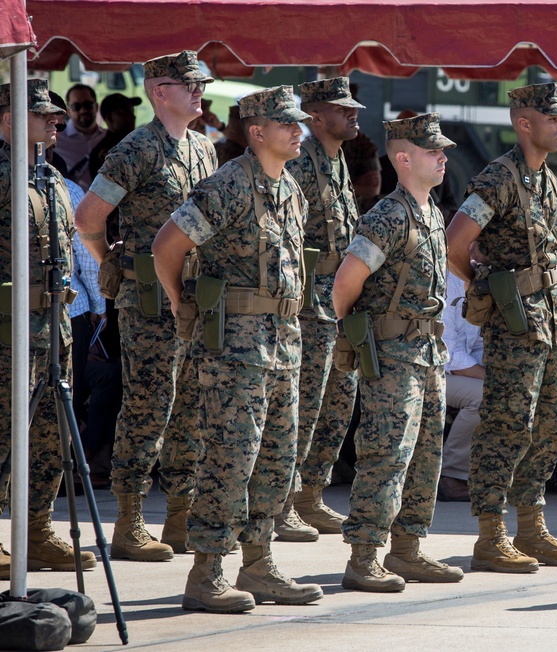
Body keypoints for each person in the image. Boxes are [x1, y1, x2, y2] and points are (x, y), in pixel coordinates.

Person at [153, 85, 322, 613]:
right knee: (230, 459)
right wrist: (185, 306)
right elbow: (167, 246)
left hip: (284, 343)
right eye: (287, 124)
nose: (299, 131)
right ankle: (207, 573)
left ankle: (259, 563)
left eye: (300, 123)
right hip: (236, 349)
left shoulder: (291, 188)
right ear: (257, 132)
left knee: (276, 459)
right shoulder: (227, 185)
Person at [75, 50, 218, 561]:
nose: (200, 91)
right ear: (160, 91)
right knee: (148, 405)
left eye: (201, 83)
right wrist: (109, 260)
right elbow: (89, 215)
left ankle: (179, 517)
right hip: (150, 302)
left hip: (194, 300)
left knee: (190, 408)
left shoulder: (203, 149)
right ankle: (130, 521)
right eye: (189, 84)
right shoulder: (137, 148)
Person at [446, 82, 557, 573]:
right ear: (524, 123)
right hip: (513, 326)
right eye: (553, 118)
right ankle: (491, 536)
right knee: (507, 428)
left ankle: (532, 530)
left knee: (548, 427)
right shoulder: (497, 179)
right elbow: (454, 244)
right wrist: (484, 287)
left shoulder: (546, 179)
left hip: (548, 324)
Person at [333, 113, 462, 591]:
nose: (443, 157)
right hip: (392, 355)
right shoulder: (388, 214)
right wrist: (360, 334)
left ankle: (407, 549)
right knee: (386, 455)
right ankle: (364, 555)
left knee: (425, 457)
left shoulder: (430, 210)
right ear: (404, 159)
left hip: (427, 353)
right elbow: (346, 283)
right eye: (433, 151)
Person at [0, 79, 98, 579]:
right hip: (7, 328)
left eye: (57, 116)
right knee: (2, 431)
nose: (56, 122)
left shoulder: (51, 178)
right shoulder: (3, 175)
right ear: (11, 119)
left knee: (48, 437)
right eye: (45, 116)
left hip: (53, 324)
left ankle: (36, 530)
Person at [280, 77, 365, 541]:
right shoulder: (300, 161)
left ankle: (311, 495)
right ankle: (283, 502)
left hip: (339, 301)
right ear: (315, 117)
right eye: (342, 108)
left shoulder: (337, 162)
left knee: (337, 404)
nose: (353, 114)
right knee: (304, 406)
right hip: (309, 302)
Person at [440, 264, 484, 503]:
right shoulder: (447, 279)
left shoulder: (474, 277)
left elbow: (475, 344)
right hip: (435, 372)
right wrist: (485, 375)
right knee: (483, 396)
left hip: (456, 370)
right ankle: (451, 475)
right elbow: (449, 352)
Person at [57, 83, 106, 190]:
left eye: (88, 105)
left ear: (96, 107)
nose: (83, 110)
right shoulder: (56, 139)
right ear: (68, 111)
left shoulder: (108, 138)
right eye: (76, 106)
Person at [87, 93, 141, 184]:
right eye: (125, 113)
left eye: (132, 111)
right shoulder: (105, 152)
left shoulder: (137, 142)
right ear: (109, 118)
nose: (132, 116)